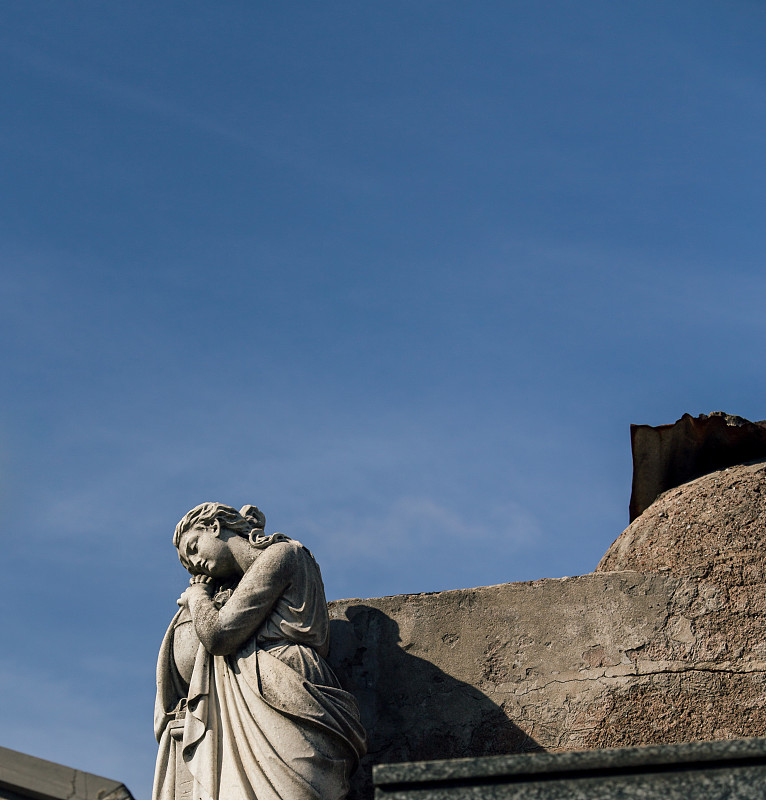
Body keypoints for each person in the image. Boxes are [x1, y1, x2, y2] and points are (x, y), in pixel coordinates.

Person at [153, 503, 366, 800]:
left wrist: (198, 597)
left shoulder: (283, 555)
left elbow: (219, 636)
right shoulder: (230, 590)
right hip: (247, 689)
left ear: (214, 527)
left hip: (289, 681)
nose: (195, 564)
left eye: (194, 548)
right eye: (189, 566)